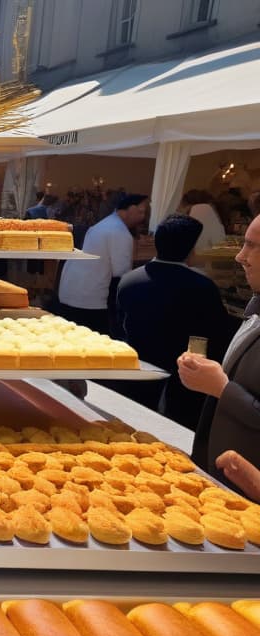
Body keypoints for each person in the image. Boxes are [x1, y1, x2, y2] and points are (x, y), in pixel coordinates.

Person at [115, 214, 235, 427]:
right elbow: (210, 335)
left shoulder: (129, 280)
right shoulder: (202, 287)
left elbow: (120, 326)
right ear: (191, 250)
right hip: (180, 382)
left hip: (136, 372)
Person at [178, 213, 260, 491]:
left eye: (252, 245)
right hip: (219, 475)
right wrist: (207, 377)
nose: (240, 256)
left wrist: (222, 387)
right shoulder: (255, 307)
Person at [57, 193, 148, 335]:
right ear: (129, 209)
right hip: (90, 302)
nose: (142, 217)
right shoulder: (119, 231)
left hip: (71, 295)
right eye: (140, 212)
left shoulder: (105, 225)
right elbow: (122, 274)